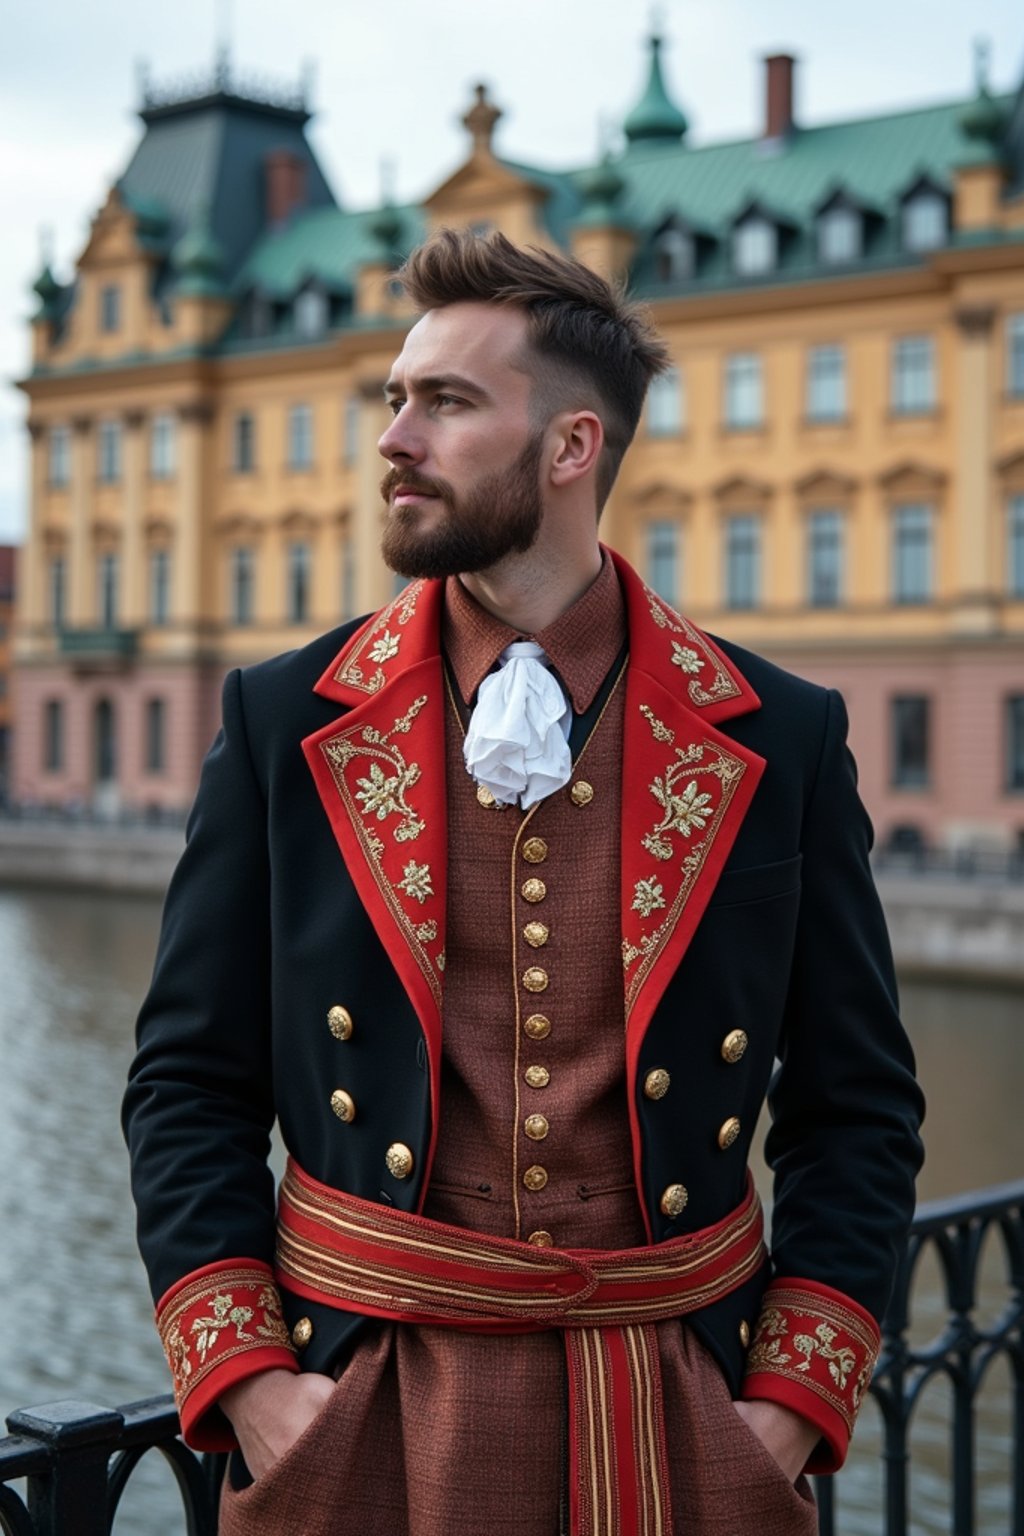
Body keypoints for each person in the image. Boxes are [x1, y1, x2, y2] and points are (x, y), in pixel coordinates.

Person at [123, 228, 924, 1535]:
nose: (394, 437)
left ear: (570, 450)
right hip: (360, 1403)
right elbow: (188, 1083)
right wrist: (255, 1385)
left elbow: (860, 1108)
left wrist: (785, 1406)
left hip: (677, 1415)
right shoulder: (284, 719)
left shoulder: (780, 735)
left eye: (445, 401)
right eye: (395, 398)